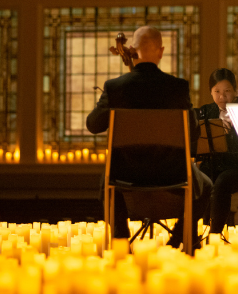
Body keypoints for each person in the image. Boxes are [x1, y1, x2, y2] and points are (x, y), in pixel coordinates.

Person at [86, 25, 212, 250]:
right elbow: (193, 132)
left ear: (132, 50)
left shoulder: (115, 88)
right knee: (207, 185)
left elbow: (93, 125)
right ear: (161, 51)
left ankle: (121, 238)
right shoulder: (177, 88)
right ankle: (180, 238)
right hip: (173, 174)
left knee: (105, 181)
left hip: (125, 174)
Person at [196, 68, 238, 235]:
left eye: (227, 91)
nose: (222, 96)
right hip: (215, 166)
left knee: (222, 181)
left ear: (235, 90)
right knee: (200, 178)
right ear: (210, 92)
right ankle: (200, 229)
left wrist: (235, 129)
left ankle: (214, 234)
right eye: (216, 91)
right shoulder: (206, 111)